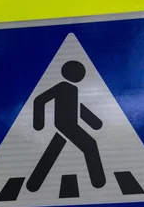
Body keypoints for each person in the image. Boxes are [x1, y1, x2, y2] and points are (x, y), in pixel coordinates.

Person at [26, 60, 106, 192]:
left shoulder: (73, 89)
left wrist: (94, 122)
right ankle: (98, 182)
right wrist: (39, 123)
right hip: (65, 125)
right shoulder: (61, 86)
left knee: (53, 150)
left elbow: (78, 108)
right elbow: (40, 100)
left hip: (68, 125)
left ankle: (33, 184)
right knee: (90, 145)